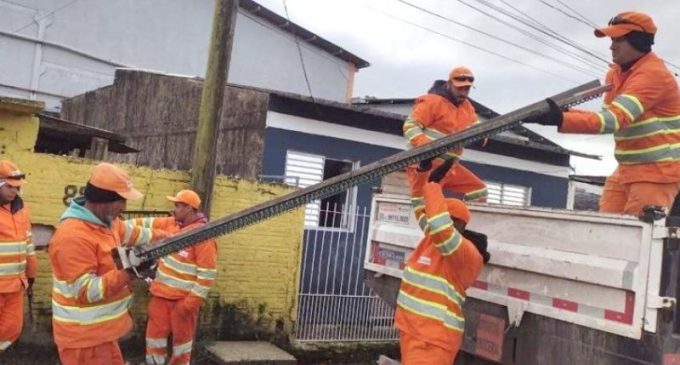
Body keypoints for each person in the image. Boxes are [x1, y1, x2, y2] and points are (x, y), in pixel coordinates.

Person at [525, 11, 680, 216]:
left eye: (618, 39)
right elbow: (607, 115)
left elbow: (611, 121)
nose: (611, 46)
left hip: (658, 172)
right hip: (627, 168)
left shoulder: (653, 75)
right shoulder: (616, 72)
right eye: (611, 39)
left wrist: (560, 118)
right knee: (605, 230)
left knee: (637, 240)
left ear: (639, 41)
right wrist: (565, 113)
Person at [49, 163, 159, 365]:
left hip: (100, 335)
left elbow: (135, 233)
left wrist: (172, 238)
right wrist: (130, 272)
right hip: (84, 341)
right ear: (103, 200)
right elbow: (86, 291)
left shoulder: (106, 223)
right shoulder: (72, 236)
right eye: (121, 200)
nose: (124, 207)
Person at [395, 167, 490, 364]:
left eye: (440, 215)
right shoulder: (435, 239)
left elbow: (439, 225)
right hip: (414, 332)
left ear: (456, 223)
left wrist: (434, 186)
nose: (432, 218)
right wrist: (421, 173)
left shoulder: (464, 252)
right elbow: (420, 205)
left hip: (432, 341)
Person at [133, 189, 217, 365]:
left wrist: (189, 305)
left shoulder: (204, 237)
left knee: (182, 346)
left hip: (182, 303)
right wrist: (119, 226)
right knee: (154, 340)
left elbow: (207, 275)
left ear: (189, 208)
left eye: (178, 206)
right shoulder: (173, 224)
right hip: (160, 298)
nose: (174, 209)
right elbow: (147, 223)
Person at [403, 66, 488, 203]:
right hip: (424, 166)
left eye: (466, 89)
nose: (463, 92)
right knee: (424, 203)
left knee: (479, 191)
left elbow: (478, 128)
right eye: (459, 88)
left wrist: (481, 138)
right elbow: (411, 126)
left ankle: (460, 221)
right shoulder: (432, 101)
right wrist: (426, 149)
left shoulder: (467, 107)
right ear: (449, 84)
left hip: (449, 167)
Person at [0, 160, 36, 353]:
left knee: (12, 328)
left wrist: (31, 273)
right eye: (10, 187)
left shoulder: (22, 209)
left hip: (16, 283)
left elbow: (28, 242)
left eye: (17, 187)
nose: (14, 191)